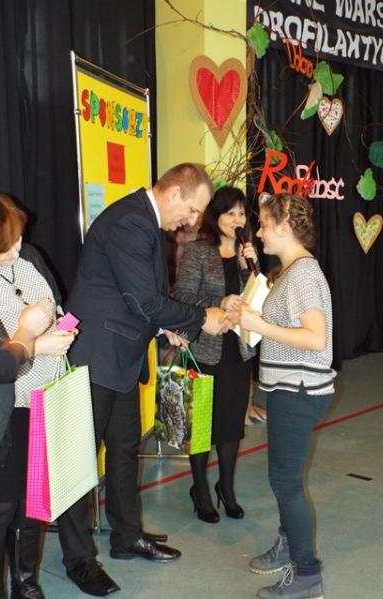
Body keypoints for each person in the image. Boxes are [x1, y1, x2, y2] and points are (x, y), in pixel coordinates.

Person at [57, 163, 231, 597]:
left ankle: (126, 536)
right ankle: (79, 560)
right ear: (173, 194)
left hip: (121, 359)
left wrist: (165, 327)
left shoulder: (144, 222)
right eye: (192, 210)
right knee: (80, 464)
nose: (192, 221)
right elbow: (143, 299)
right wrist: (199, 318)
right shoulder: (131, 222)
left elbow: (134, 298)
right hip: (97, 358)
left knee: (122, 451)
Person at [237, 192, 335, 599]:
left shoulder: (304, 275)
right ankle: (288, 543)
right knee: (283, 481)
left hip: (299, 390)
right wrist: (248, 317)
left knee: (285, 482)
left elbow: (315, 338)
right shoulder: (290, 272)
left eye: (263, 224)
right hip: (286, 388)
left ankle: (307, 575)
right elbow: (282, 327)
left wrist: (259, 324)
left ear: (284, 226)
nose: (259, 232)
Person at [0, 186, 58, 599]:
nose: (18, 246)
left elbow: (55, 306)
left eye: (20, 237)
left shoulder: (31, 262)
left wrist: (60, 329)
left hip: (39, 394)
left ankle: (26, 583)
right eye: (10, 239)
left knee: (32, 499)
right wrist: (35, 341)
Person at [175, 185, 258, 522]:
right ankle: (200, 489)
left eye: (241, 213)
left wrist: (248, 268)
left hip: (237, 349)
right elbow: (182, 299)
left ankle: (227, 488)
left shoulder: (246, 253)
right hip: (204, 351)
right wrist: (218, 303)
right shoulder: (198, 251)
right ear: (216, 215)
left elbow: (254, 299)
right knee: (202, 426)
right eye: (230, 213)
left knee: (231, 424)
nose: (237, 219)